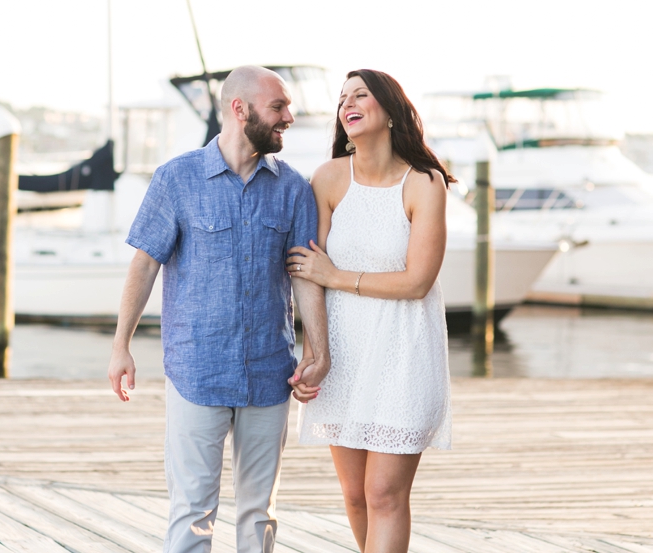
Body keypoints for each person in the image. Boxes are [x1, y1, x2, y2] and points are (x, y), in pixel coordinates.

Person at [107, 65, 330, 553]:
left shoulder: (293, 188)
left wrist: (320, 350)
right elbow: (144, 265)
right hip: (197, 373)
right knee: (191, 511)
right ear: (239, 109)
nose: (289, 117)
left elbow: (306, 277)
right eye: (278, 107)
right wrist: (121, 344)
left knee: (259, 516)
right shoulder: (176, 178)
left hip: (271, 375)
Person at [286, 69, 453, 553]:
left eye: (361, 94)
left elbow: (417, 281)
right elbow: (305, 272)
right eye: (342, 98)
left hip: (404, 352)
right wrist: (315, 351)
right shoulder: (329, 177)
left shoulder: (425, 182)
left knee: (384, 493)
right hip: (344, 352)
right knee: (356, 496)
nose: (348, 103)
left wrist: (336, 276)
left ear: (390, 110)